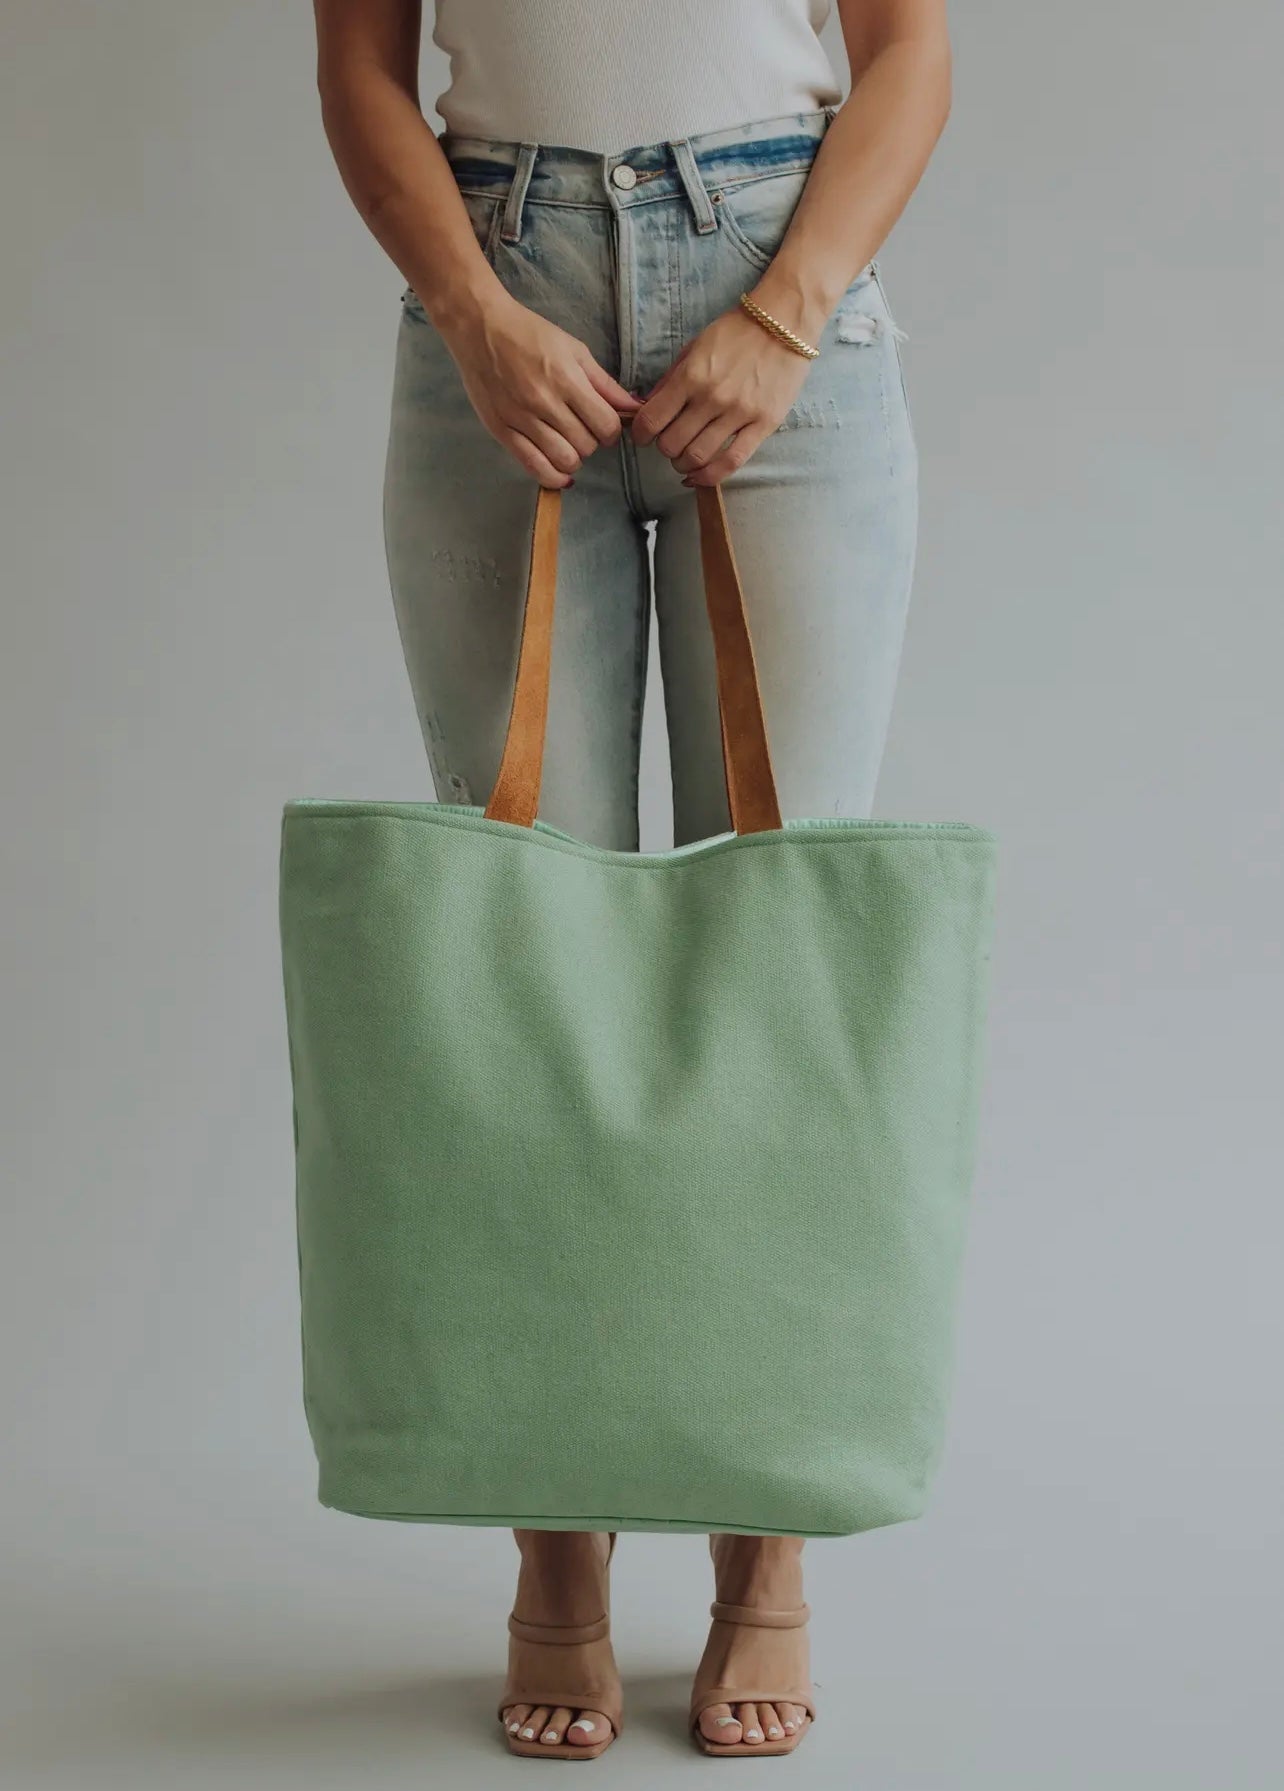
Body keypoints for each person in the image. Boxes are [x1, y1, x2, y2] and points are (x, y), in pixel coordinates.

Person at [311, 0, 951, 1761]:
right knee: (523, 965)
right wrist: (471, 317)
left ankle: (768, 1564)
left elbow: (909, 47)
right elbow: (363, 68)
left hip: (780, 283)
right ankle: (561, 1569)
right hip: (492, 293)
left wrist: (787, 306)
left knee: (787, 952)